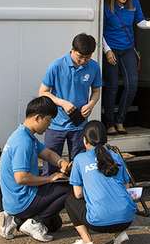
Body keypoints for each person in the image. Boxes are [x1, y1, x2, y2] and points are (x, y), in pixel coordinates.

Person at [0, 95, 72, 242]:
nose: (49, 125)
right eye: (48, 120)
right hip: (22, 200)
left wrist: (62, 162)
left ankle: (14, 220)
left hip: (15, 199)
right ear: (38, 118)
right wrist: (50, 178)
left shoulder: (24, 134)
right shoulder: (23, 142)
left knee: (54, 224)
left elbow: (48, 154)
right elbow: (21, 178)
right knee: (70, 188)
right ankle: (33, 222)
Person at [64, 120, 140, 244]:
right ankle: (120, 234)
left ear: (85, 141)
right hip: (127, 219)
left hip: (98, 223)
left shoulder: (80, 159)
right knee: (116, 196)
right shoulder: (116, 156)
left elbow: (78, 194)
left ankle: (87, 242)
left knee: (70, 200)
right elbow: (126, 188)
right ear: (106, 139)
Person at [101, 0, 150, 134]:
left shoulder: (134, 2)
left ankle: (120, 120)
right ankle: (109, 123)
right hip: (111, 49)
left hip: (128, 49)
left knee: (132, 85)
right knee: (112, 86)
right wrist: (107, 51)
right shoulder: (106, 6)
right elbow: (99, 30)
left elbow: (140, 22)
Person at [39, 33, 102, 162]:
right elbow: (43, 92)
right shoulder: (56, 66)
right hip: (55, 124)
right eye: (80, 57)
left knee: (78, 163)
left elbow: (96, 91)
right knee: (51, 165)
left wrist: (91, 104)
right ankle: (50, 183)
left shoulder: (94, 67)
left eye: (88, 57)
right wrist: (62, 103)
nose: (83, 61)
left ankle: (75, 183)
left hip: (79, 124)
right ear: (72, 50)